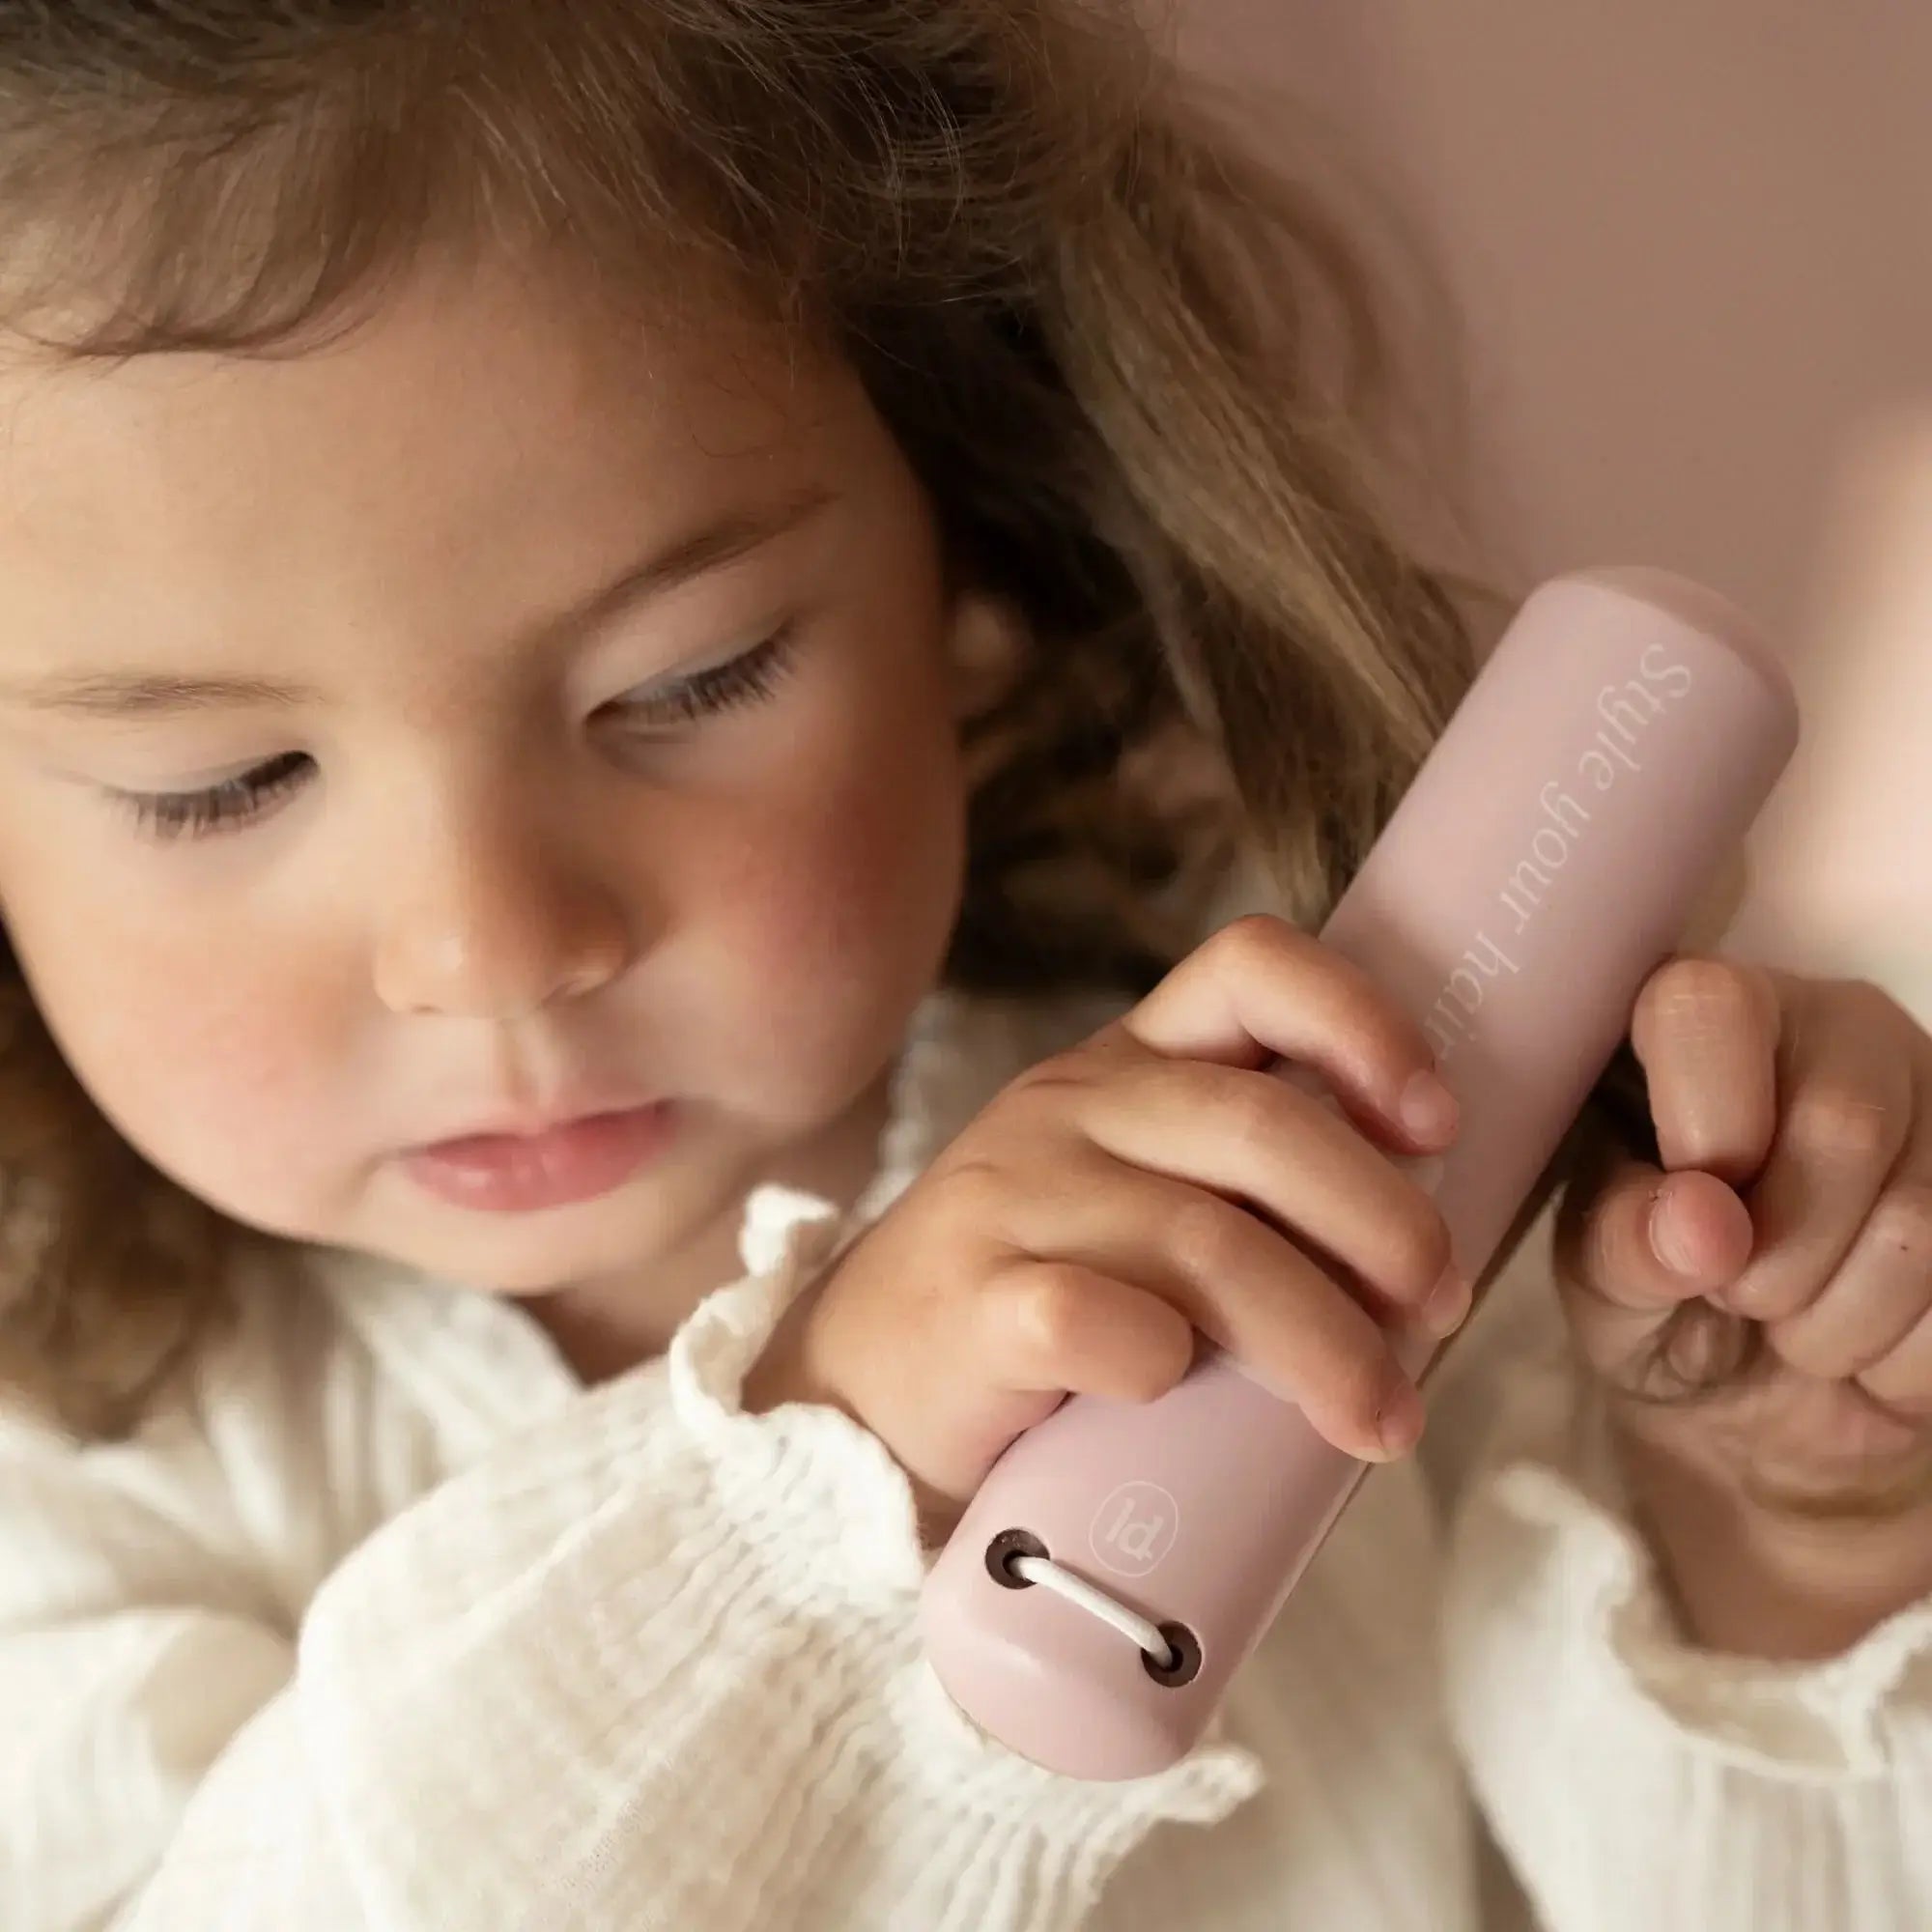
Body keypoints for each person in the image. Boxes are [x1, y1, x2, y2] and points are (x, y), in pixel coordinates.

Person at [0, 4, 1926, 1928]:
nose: (492, 949)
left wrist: (1793, 1541)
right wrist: (821, 1483)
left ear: (975, 559)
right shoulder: (70, 1486)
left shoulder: (1339, 1136)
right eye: (217, 784)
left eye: (691, 680)